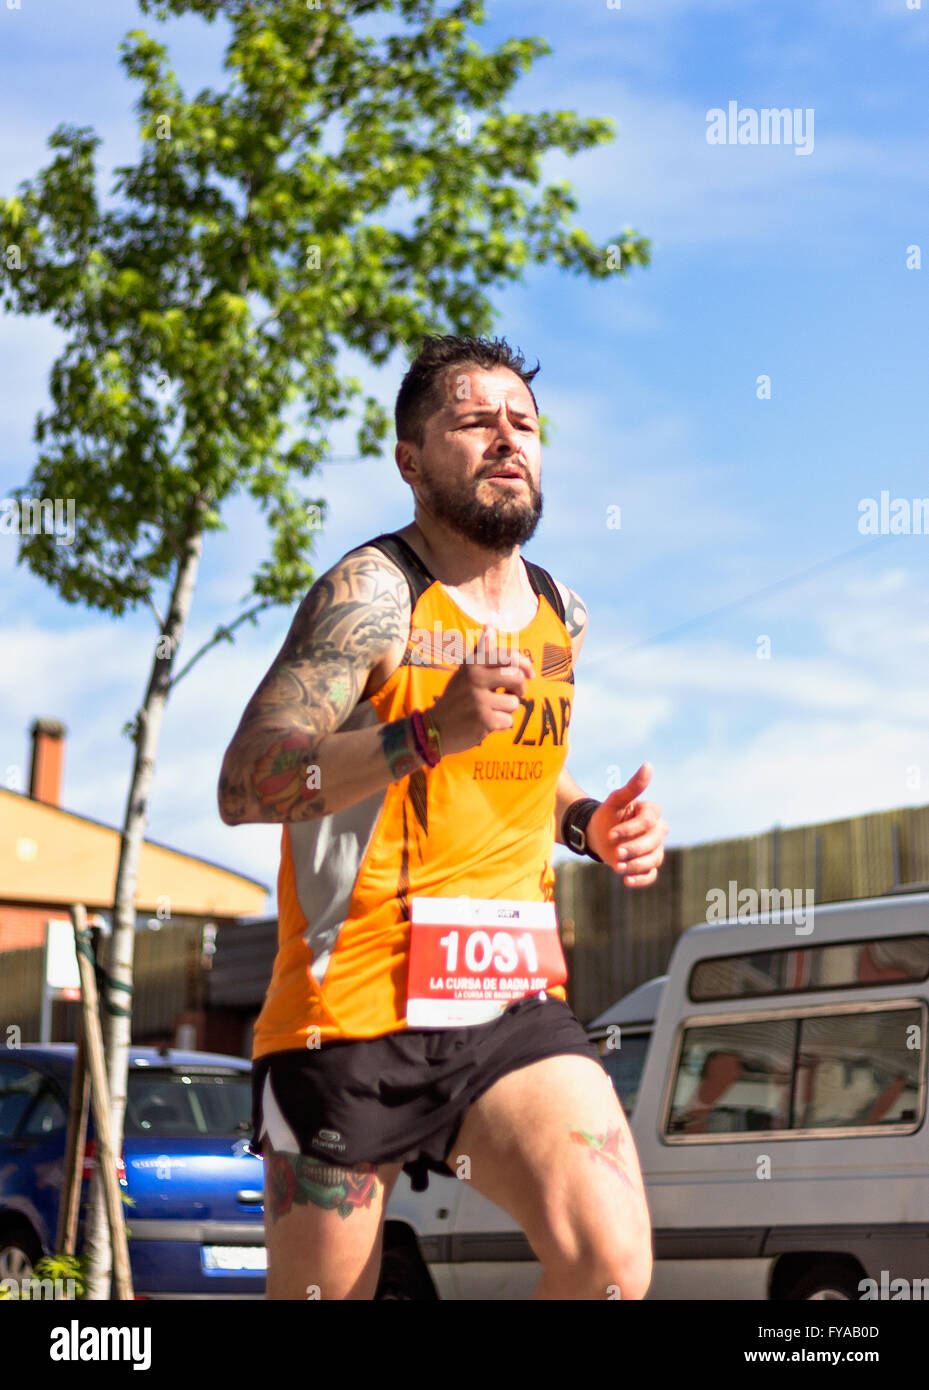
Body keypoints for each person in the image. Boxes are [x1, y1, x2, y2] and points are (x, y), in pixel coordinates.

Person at [217, 334, 669, 1300]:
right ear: (411, 461)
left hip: (507, 1004)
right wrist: (418, 735)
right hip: (349, 1021)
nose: (508, 441)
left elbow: (512, 770)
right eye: (475, 423)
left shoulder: (562, 615)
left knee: (611, 1266)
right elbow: (247, 783)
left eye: (525, 426)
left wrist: (590, 822)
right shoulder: (370, 596)